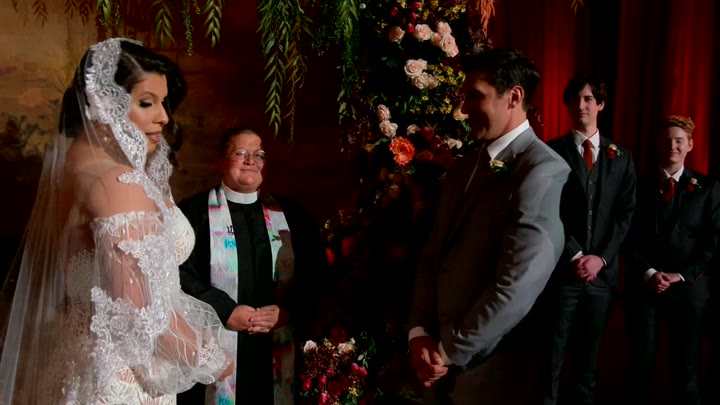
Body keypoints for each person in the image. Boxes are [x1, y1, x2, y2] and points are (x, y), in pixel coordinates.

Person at [0, 38, 235, 404]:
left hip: (79, 365)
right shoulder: (117, 183)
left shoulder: (72, 169)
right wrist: (211, 359)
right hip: (123, 384)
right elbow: (141, 316)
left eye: (163, 102)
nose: (164, 117)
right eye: (147, 102)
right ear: (103, 103)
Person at [408, 47, 571, 404]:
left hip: (495, 375)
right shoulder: (463, 167)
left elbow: (516, 285)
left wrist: (448, 350)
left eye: (475, 96)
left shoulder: (543, 170)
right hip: (437, 366)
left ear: (514, 97)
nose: (464, 109)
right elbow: (432, 255)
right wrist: (419, 332)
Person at [177, 127, 325, 404]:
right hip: (214, 340)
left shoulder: (292, 215)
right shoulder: (192, 213)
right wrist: (224, 309)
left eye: (259, 154)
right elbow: (177, 272)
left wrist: (288, 310)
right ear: (220, 162)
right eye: (240, 153)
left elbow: (315, 272)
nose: (250, 161)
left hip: (275, 343)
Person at [544, 76, 636, 405]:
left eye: (588, 99)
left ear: (601, 104)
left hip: (602, 277)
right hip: (562, 274)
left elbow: (625, 214)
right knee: (551, 361)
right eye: (576, 99)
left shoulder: (621, 157)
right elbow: (546, 210)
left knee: (588, 365)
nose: (581, 105)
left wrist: (601, 258)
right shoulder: (551, 151)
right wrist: (575, 254)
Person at [623, 115, 720, 405]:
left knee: (686, 370)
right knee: (639, 368)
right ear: (657, 144)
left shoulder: (708, 187)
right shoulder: (637, 185)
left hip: (690, 291)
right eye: (666, 141)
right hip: (645, 289)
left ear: (690, 145)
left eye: (679, 141)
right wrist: (649, 272)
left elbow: (713, 243)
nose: (672, 146)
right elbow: (626, 236)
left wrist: (681, 275)